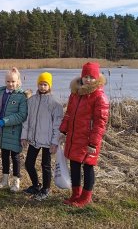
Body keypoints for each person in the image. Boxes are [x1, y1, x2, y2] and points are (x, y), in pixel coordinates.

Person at [59, 62, 109, 208]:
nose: (88, 80)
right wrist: (63, 131)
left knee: (88, 167)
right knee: (74, 165)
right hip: (75, 137)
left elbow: (100, 123)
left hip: (89, 140)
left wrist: (93, 143)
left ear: (96, 78)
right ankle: (75, 194)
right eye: (85, 76)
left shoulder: (99, 97)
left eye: (91, 77)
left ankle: (86, 197)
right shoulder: (75, 94)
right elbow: (68, 115)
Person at [21, 72, 64, 200]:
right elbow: (26, 120)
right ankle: (36, 185)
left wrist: (55, 142)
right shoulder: (31, 101)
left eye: (45, 84)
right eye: (40, 84)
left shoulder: (55, 103)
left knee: (45, 166)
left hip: (48, 141)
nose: (42, 87)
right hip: (34, 139)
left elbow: (57, 125)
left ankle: (46, 189)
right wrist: (24, 136)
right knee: (29, 163)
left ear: (49, 86)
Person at [0, 67, 28, 192]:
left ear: (18, 82)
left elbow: (22, 115)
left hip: (13, 131)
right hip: (0, 131)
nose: (10, 84)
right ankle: (5, 180)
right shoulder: (0, 92)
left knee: (15, 156)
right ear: (5, 81)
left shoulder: (21, 96)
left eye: (13, 82)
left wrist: (4, 121)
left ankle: (16, 181)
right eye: (8, 81)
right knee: (4, 154)